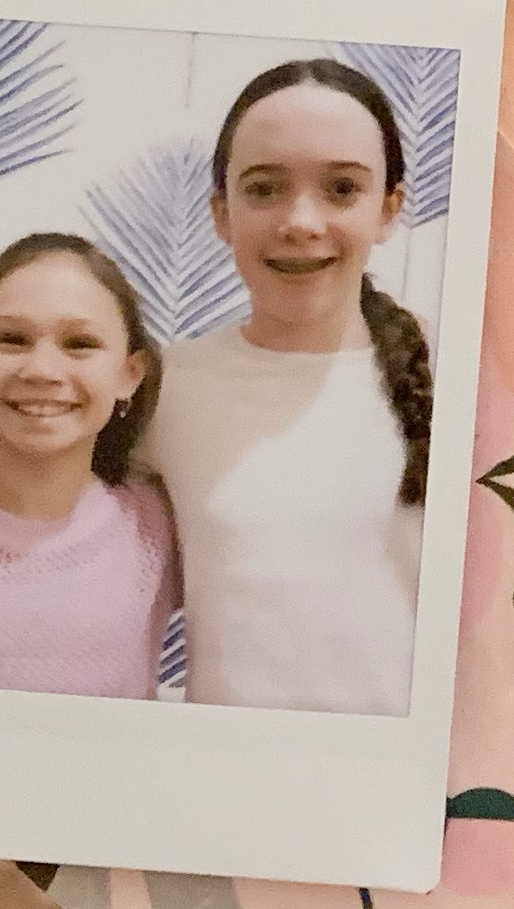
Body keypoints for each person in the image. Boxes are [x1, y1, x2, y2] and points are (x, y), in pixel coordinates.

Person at [141, 57, 433, 715]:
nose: (300, 221)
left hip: (405, 796)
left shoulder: (460, 371)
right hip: (224, 786)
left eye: (341, 189)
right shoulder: (165, 389)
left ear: (389, 210)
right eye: (265, 188)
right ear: (222, 213)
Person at [0, 232, 180, 699]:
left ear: (129, 375)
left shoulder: (158, 527)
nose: (41, 370)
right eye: (12, 339)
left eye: (79, 343)